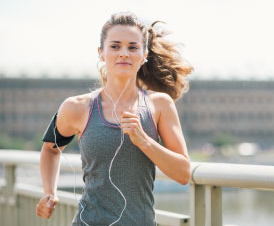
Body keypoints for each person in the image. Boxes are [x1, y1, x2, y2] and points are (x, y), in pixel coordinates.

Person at [35, 11, 193, 226]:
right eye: (115, 46)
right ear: (101, 53)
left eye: (133, 47)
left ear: (144, 54)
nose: (124, 53)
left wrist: (144, 141)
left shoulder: (160, 105)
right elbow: (50, 149)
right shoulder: (76, 107)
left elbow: (183, 174)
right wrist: (49, 192)